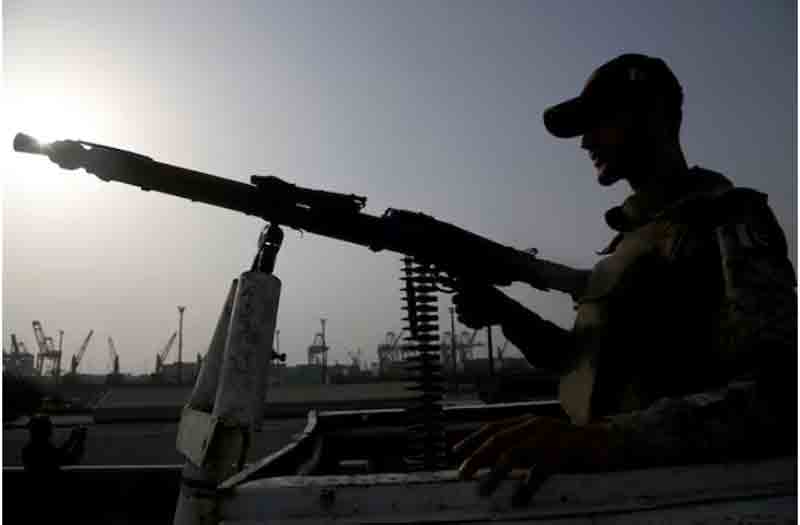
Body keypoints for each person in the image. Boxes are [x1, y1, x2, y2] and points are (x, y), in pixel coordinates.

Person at [451, 53, 797, 502]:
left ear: (653, 115)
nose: (585, 142)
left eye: (599, 121)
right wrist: (506, 315)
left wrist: (597, 441)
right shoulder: (630, 242)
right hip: (608, 490)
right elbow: (588, 362)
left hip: (683, 496)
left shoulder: (726, 218)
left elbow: (777, 396)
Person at [21, 414, 87, 473]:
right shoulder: (46, 448)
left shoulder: (28, 449)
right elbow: (70, 459)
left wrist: (72, 440)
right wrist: (80, 440)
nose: (51, 430)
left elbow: (58, 454)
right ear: (46, 431)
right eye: (49, 427)